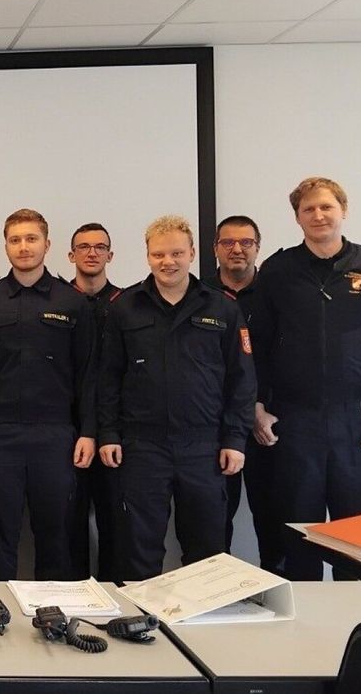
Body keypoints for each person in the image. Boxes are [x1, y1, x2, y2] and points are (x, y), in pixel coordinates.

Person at [251, 177, 361, 581]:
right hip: (295, 423)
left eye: (326, 207)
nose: (318, 215)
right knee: (297, 538)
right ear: (297, 217)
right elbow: (257, 346)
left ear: (343, 210)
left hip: (359, 422)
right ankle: (303, 632)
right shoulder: (277, 270)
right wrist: (256, 405)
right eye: (308, 209)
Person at [98, 215, 254, 582]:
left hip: (203, 445)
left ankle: (203, 630)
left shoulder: (222, 308)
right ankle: (139, 625)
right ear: (148, 256)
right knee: (139, 546)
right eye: (158, 254)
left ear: (193, 254)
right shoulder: (125, 308)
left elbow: (242, 380)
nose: (168, 262)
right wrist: (108, 433)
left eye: (177, 253)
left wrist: (235, 439)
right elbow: (107, 378)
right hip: (142, 446)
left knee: (208, 550)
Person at [0, 209, 95, 581]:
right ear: (6, 246)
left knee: (55, 538)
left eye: (31, 239)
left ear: (47, 245)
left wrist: (89, 432)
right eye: (15, 240)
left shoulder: (72, 302)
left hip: (55, 436)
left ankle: (51, 624)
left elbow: (88, 376)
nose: (24, 247)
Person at [204, 215, 282, 573]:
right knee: (215, 523)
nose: (237, 249)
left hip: (269, 427)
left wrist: (260, 406)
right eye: (228, 243)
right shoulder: (199, 296)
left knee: (274, 522)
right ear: (215, 249)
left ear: (257, 247)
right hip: (216, 428)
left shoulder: (277, 294)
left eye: (246, 242)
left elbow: (288, 359)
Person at [66, 222, 121, 581]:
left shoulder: (128, 303)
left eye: (99, 247)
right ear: (71, 255)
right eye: (83, 247)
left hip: (116, 429)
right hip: (68, 429)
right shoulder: (57, 301)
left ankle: (114, 599)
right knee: (69, 523)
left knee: (116, 521)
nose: (91, 253)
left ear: (110, 256)